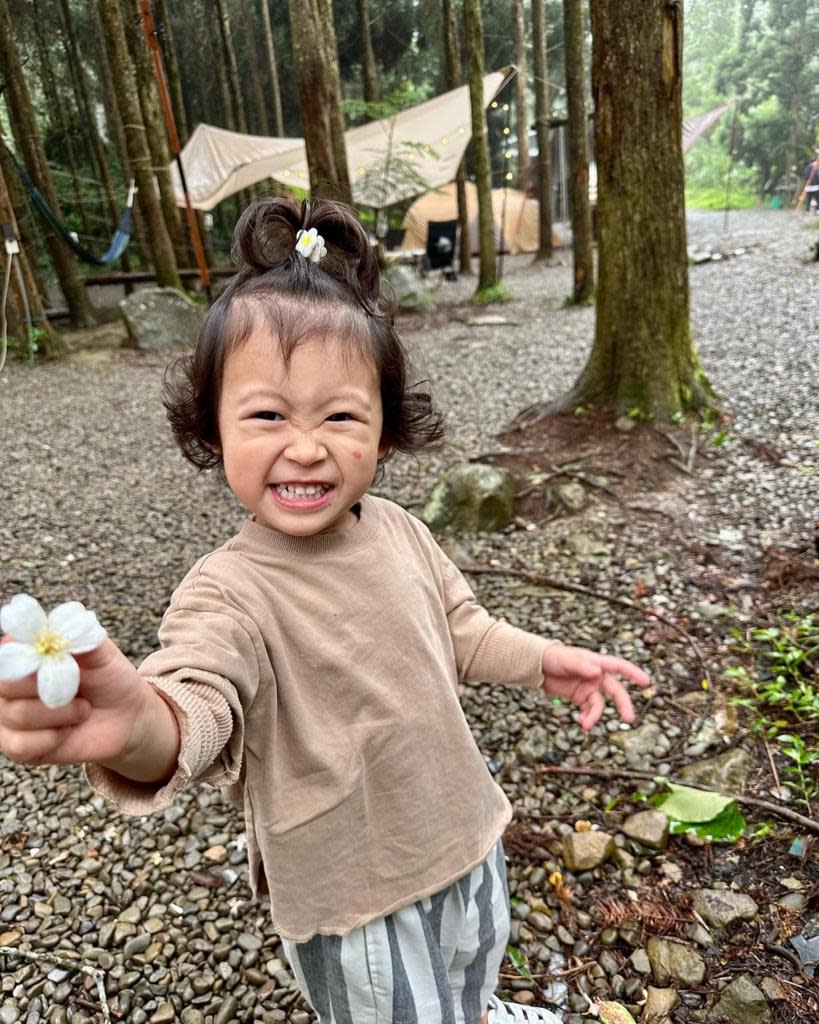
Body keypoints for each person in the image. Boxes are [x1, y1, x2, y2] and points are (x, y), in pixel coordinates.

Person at [0, 197, 650, 1024]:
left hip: (458, 831)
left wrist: (544, 660)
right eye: (267, 415)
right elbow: (199, 693)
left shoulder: (402, 530)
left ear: (382, 435)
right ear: (212, 433)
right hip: (351, 894)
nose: (305, 446)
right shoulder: (226, 590)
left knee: (473, 960)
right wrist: (140, 727)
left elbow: (460, 629)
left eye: (340, 416)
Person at [800, 148, 819, 213]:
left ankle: (817, 210)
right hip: (810, 185)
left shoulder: (817, 166)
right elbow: (806, 175)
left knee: (817, 198)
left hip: (817, 185)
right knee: (809, 198)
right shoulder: (810, 166)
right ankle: (808, 210)